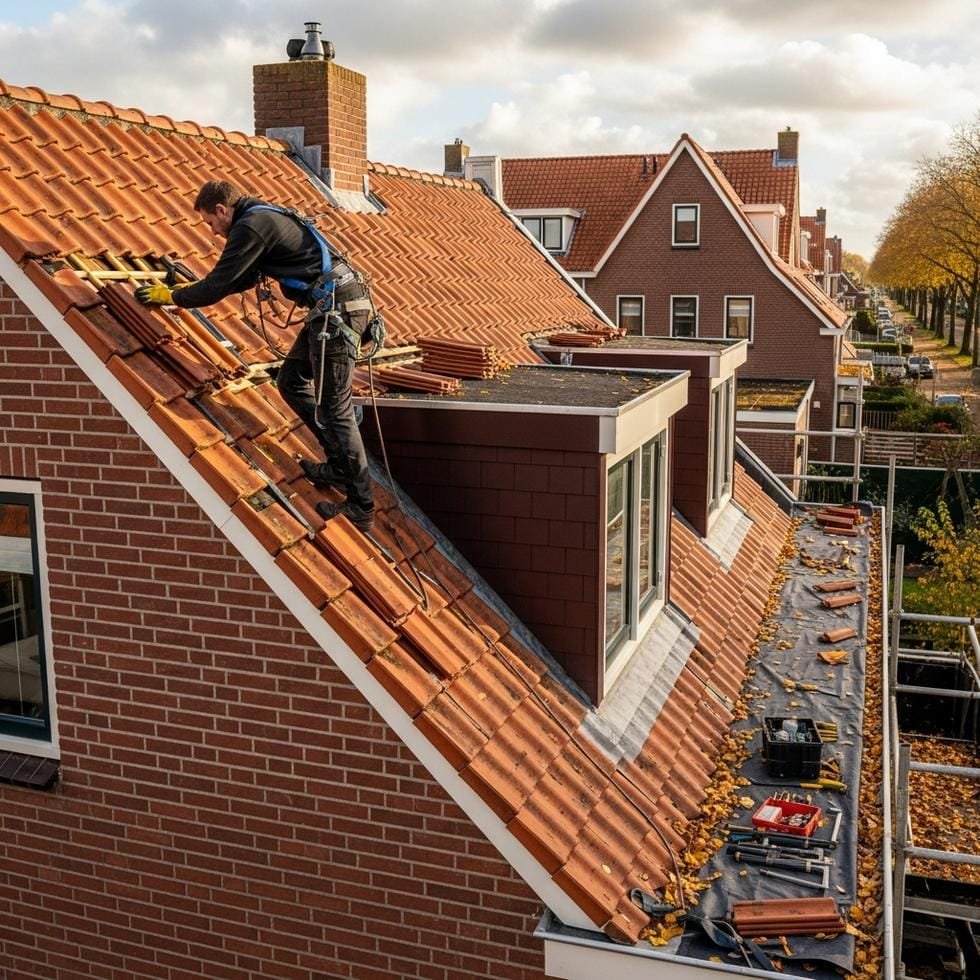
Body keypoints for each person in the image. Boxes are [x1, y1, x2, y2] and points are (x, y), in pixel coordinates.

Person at [135, 180, 375, 532]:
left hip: (339, 315)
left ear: (222, 209)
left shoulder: (250, 225)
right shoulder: (260, 217)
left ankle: (361, 506)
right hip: (332, 309)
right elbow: (240, 279)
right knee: (291, 381)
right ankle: (339, 466)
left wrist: (172, 296)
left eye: (210, 223)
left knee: (335, 409)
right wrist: (188, 288)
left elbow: (219, 285)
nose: (213, 232)